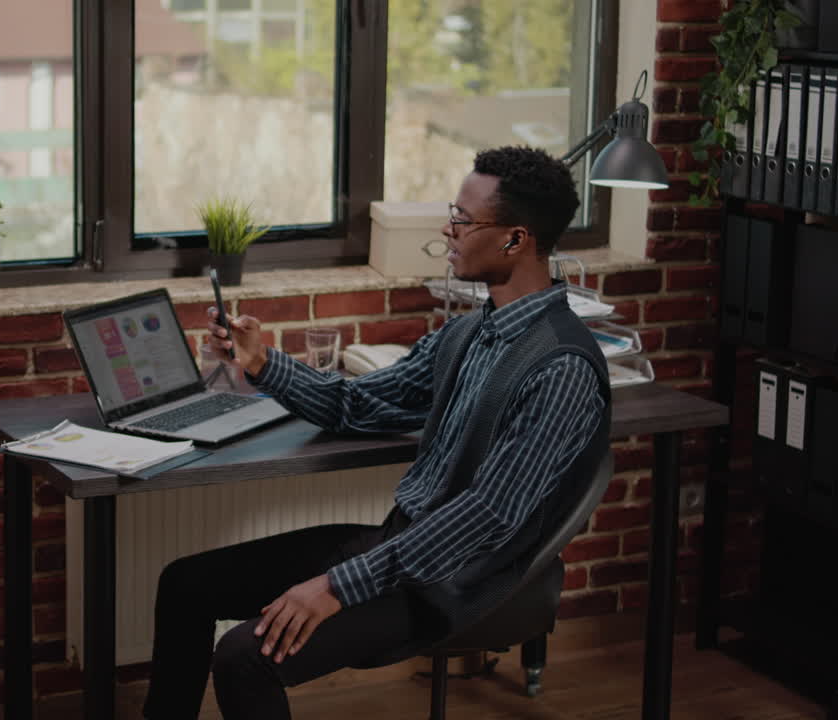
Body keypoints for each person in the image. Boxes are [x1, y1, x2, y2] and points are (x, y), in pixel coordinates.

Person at [141, 146, 612, 720]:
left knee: (244, 657)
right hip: (401, 547)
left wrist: (337, 585)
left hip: (454, 583)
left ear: (515, 240)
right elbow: (359, 404)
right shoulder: (466, 335)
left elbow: (487, 514)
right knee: (187, 585)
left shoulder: (561, 367)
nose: (449, 228)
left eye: (463, 219)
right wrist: (260, 361)